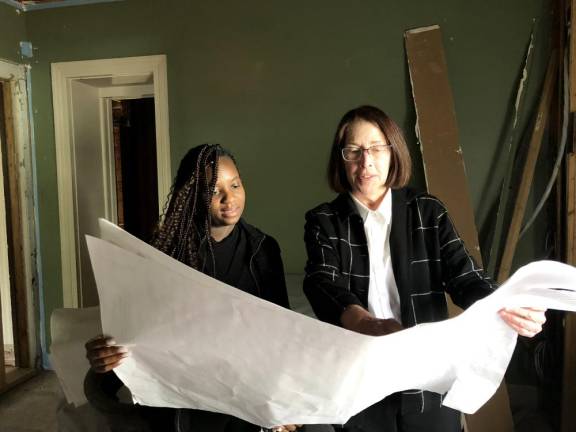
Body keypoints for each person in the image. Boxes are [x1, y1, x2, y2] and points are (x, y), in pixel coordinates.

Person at [303, 105, 546, 432]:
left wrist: (504, 305)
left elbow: (465, 276)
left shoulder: (427, 212)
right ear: (340, 158)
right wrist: (363, 321)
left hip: (426, 380)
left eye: (376, 148)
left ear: (394, 151)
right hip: (357, 382)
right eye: (354, 151)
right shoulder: (324, 221)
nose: (366, 162)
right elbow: (321, 281)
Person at [85, 143, 299, 432]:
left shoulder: (263, 249)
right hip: (183, 384)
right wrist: (105, 353)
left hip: (245, 381)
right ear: (193, 196)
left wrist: (280, 403)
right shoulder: (165, 253)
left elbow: (281, 333)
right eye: (213, 190)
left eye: (235, 185)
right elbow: (138, 329)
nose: (229, 198)